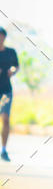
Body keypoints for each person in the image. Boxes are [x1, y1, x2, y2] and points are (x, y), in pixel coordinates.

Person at [0, 28, 19, 162]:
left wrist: (13, 70)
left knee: (5, 119)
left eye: (1, 36)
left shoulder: (11, 52)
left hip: (6, 91)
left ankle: (4, 150)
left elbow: (16, 66)